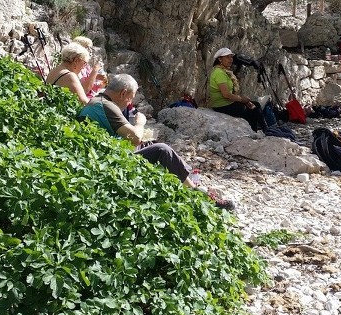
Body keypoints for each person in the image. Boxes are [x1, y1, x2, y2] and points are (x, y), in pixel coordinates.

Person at [77, 74, 234, 210]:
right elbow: (134, 137)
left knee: (150, 145)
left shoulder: (97, 101)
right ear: (123, 93)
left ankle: (189, 183)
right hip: (109, 161)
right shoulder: (107, 106)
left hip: (102, 152)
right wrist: (140, 122)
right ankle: (196, 195)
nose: (129, 102)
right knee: (162, 150)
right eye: (130, 98)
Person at [209, 48, 266, 132]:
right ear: (220, 59)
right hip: (222, 105)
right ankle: (264, 130)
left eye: (231, 57)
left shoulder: (224, 71)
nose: (231, 60)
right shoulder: (219, 73)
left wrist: (244, 100)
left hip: (227, 103)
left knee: (255, 105)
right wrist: (242, 99)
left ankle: (259, 131)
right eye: (227, 57)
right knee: (251, 110)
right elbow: (226, 95)